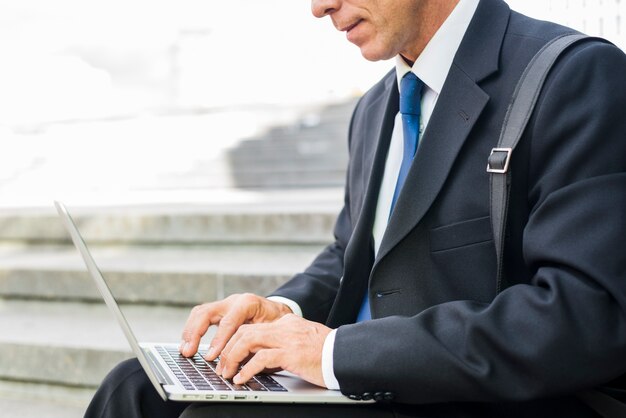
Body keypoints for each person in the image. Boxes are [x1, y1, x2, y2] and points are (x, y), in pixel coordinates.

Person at [84, 0, 626, 417]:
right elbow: (352, 254)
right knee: (132, 388)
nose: (318, 7)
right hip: (361, 388)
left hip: (473, 400)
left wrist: (332, 352)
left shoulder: (576, 76)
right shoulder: (374, 109)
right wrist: (283, 312)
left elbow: (586, 314)